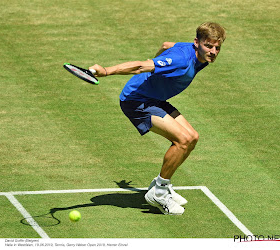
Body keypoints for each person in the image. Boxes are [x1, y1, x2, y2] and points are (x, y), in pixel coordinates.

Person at [89, 22, 226, 215]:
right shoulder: (180, 60)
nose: (213, 51)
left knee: (192, 137)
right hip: (137, 101)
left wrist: (158, 64)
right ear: (196, 43)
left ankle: (160, 185)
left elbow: (166, 44)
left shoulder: (195, 53)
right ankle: (159, 193)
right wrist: (106, 70)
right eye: (208, 46)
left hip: (154, 98)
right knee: (183, 140)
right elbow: (139, 66)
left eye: (217, 47)